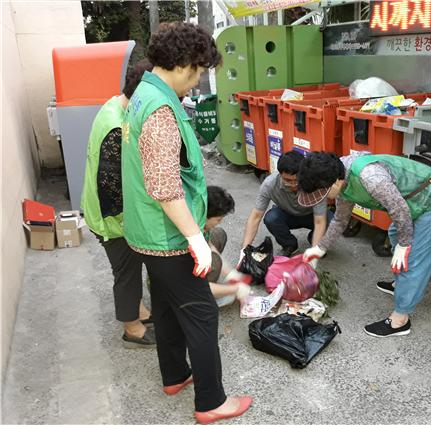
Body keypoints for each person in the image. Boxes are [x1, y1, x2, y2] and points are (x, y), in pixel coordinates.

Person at [121, 22, 252, 423]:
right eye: (196, 72)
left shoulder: (142, 93)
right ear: (181, 64)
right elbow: (164, 187)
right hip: (168, 236)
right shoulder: (160, 110)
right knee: (201, 313)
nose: (196, 83)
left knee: (164, 304)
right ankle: (212, 402)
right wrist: (196, 239)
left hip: (144, 233)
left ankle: (175, 375)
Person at [298, 151, 431, 337]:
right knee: (394, 233)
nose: (322, 198)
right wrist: (320, 248)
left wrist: (404, 245)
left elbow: (399, 211)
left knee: (413, 259)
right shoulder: (339, 178)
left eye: (322, 193)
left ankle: (400, 320)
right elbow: (340, 220)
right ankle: (400, 284)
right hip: (413, 201)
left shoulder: (371, 178)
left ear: (334, 182)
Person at [81, 58, 155, 348]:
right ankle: (132, 328)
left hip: (101, 210)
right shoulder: (116, 128)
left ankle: (137, 310)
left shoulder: (114, 105)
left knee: (129, 268)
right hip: (111, 218)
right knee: (126, 272)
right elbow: (113, 189)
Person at [240, 150, 333, 259]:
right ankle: (289, 244)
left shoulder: (314, 182)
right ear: (279, 174)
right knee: (271, 218)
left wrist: (314, 254)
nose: (293, 184)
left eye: (297, 180)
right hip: (287, 215)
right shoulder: (269, 184)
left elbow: (319, 221)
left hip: (312, 216)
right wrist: (244, 251)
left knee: (332, 223)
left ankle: (315, 241)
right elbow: (255, 217)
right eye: (287, 180)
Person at [205, 186, 251, 307]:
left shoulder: (198, 222)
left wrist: (230, 274)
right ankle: (202, 299)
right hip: (174, 285)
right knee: (214, 261)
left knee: (219, 234)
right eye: (218, 219)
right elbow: (193, 285)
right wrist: (234, 290)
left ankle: (213, 286)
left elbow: (209, 245)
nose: (219, 222)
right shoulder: (186, 237)